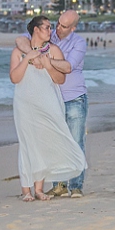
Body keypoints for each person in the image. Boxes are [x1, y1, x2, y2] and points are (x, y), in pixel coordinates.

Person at [10, 16, 86, 202]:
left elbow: (60, 79)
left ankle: (41, 189)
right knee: (27, 143)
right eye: (47, 27)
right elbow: (15, 78)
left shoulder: (54, 50)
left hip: (48, 101)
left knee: (45, 142)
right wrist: (28, 57)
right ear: (36, 29)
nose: (51, 30)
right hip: (25, 102)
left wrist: (47, 64)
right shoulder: (20, 50)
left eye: (51, 27)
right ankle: (26, 190)